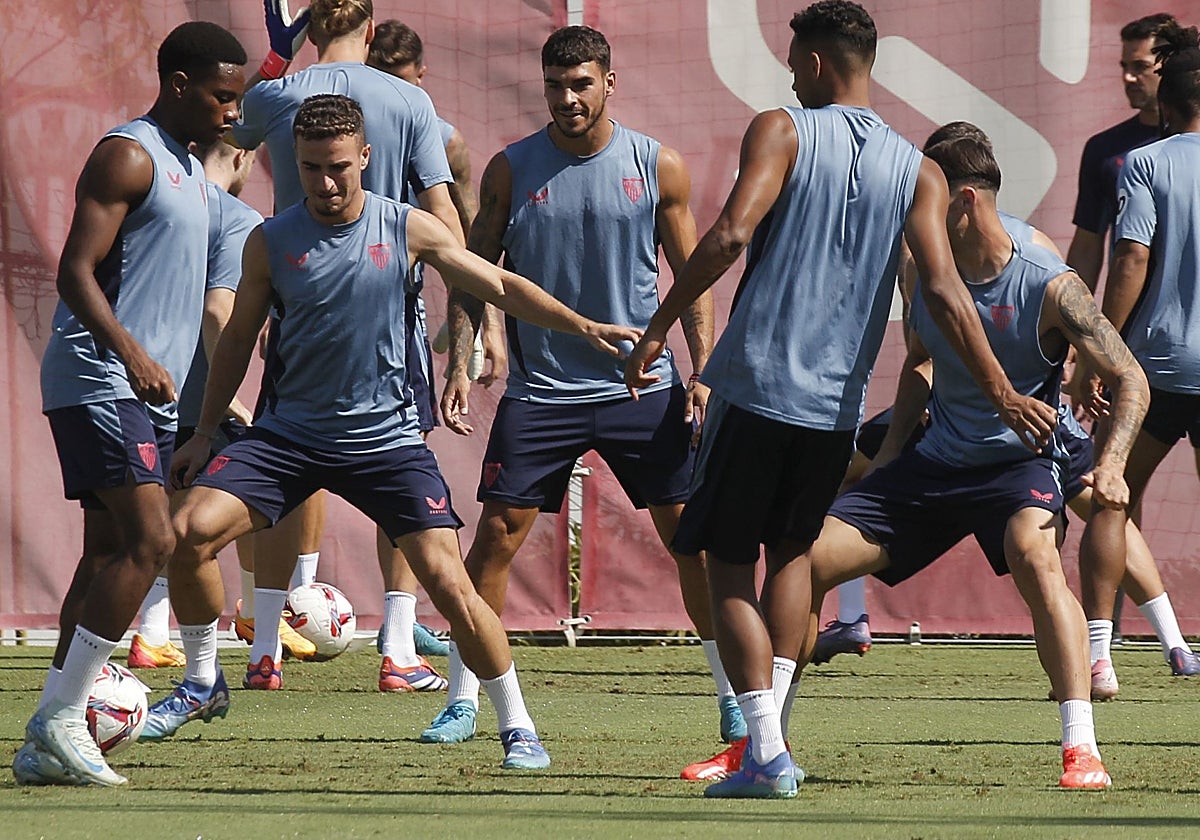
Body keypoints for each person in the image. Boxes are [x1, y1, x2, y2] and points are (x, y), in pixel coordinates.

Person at [625, 2, 1057, 799]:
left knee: (723, 563)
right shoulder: (919, 169)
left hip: (756, 389)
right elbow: (944, 290)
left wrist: (658, 329)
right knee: (792, 557)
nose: (788, 72)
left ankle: (764, 751)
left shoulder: (782, 129)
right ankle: (772, 745)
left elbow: (724, 236)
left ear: (818, 62)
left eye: (794, 59)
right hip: (832, 411)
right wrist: (1004, 391)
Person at [141, 94, 639, 773]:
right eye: (311, 168)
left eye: (340, 167)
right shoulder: (270, 240)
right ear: (295, 163)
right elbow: (233, 341)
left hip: (387, 442)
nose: (326, 183)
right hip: (289, 437)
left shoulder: (407, 228)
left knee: (450, 582)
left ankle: (516, 724)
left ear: (366, 160)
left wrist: (585, 328)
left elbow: (497, 283)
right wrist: (205, 430)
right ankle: (202, 681)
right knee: (187, 533)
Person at [796, 134, 1149, 792]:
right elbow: (920, 364)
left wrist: (1115, 463)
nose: (909, 210)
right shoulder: (921, 268)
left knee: (1036, 556)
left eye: (920, 196)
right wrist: (893, 456)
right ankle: (764, 745)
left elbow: (1130, 378)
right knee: (804, 559)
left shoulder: (1046, 278)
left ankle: (1081, 747)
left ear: (960, 200)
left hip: (1019, 468)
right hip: (934, 461)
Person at [421, 24, 734, 749]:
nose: (567, 99)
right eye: (556, 86)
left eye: (581, 85)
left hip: (641, 389)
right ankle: (467, 700)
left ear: (609, 84)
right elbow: (475, 277)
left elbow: (693, 279)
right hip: (542, 394)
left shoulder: (658, 166)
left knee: (692, 542)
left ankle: (730, 697)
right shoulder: (509, 169)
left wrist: (704, 375)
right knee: (495, 539)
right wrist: (461, 363)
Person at [12, 22, 247, 787]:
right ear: (178, 84)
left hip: (139, 391)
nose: (230, 112)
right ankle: (60, 717)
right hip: (101, 379)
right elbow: (76, 272)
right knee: (151, 543)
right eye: (220, 96)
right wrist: (135, 354)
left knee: (108, 551)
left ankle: (50, 730)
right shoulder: (129, 154)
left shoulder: (189, 170)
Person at [228, 0, 463, 692]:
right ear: (371, 21)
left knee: (279, 471)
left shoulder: (276, 95)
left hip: (295, 306)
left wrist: (276, 58)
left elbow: (226, 133)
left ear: (311, 22)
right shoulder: (410, 101)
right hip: (390, 320)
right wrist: (473, 328)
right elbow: (445, 219)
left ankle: (264, 650)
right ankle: (397, 651)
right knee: (401, 480)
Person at [125, 138, 279, 669]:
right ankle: (256, 617)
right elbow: (219, 313)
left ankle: (149, 632)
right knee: (244, 507)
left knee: (156, 514)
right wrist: (230, 400)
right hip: (199, 398)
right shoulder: (236, 217)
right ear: (239, 158)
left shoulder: (158, 203)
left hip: (139, 382)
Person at [1078, 23, 1200, 683]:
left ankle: (1099, 655)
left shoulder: (1145, 163)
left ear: (1169, 104)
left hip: (1153, 369)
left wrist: (1103, 350)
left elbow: (1128, 258)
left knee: (1110, 498)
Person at [1066, 12, 1176, 641]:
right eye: (1124, 67)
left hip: (1163, 355)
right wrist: (1082, 342)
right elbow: (1090, 251)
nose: (1130, 78)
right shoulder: (1107, 151)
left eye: (1142, 66)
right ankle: (1102, 649)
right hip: (1136, 358)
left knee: (1109, 489)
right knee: (1112, 492)